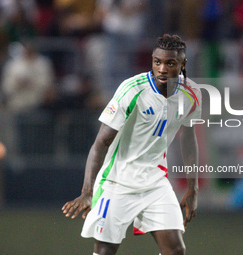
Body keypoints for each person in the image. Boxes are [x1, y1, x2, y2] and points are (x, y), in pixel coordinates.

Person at [62, 34, 201, 255]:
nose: (162, 68)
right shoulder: (133, 90)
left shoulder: (191, 94)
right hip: (117, 183)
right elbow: (100, 144)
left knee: (175, 250)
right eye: (157, 62)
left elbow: (188, 138)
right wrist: (87, 191)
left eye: (170, 63)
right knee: (105, 251)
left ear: (183, 65)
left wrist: (193, 188)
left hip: (155, 183)